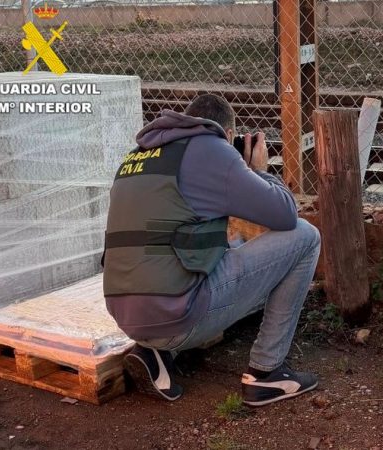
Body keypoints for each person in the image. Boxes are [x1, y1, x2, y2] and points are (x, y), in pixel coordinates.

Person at [103, 94, 321, 406]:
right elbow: (285, 215)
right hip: (176, 319)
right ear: (228, 134)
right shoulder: (212, 149)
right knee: (306, 236)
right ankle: (267, 371)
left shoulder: (137, 155)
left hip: (126, 316)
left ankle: (154, 353)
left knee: (227, 244)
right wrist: (258, 170)